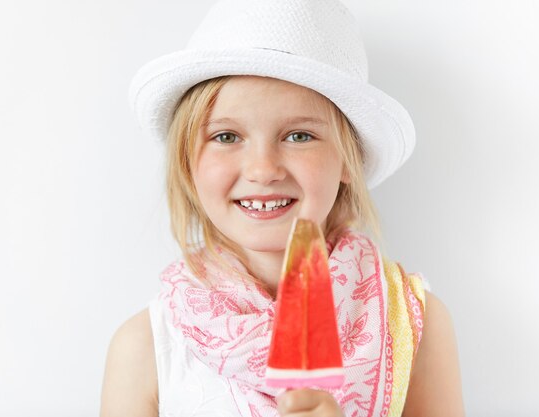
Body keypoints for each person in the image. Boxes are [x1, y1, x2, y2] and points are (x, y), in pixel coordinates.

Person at [100, 0, 464, 415]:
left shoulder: (415, 323)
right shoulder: (145, 348)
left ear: (348, 159)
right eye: (225, 136)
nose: (263, 169)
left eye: (298, 136)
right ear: (188, 160)